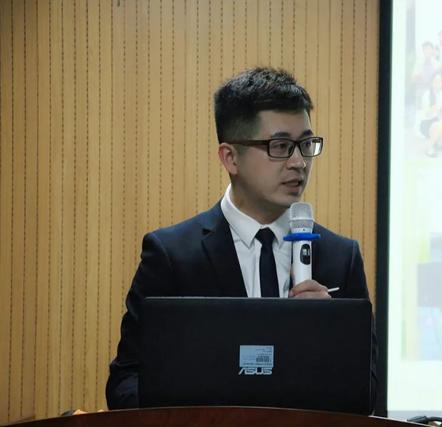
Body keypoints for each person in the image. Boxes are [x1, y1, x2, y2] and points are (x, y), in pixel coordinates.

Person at [106, 67, 376, 409]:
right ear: (230, 157)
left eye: (306, 145)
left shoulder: (340, 257)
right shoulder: (173, 256)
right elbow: (125, 384)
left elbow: (367, 392)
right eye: (280, 146)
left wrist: (328, 336)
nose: (299, 162)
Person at [419, 73, 442, 157]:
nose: (438, 84)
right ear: (432, 83)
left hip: (438, 121)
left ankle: (432, 141)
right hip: (426, 122)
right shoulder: (427, 95)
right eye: (436, 81)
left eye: (440, 82)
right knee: (441, 126)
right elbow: (426, 114)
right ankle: (429, 148)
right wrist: (434, 108)